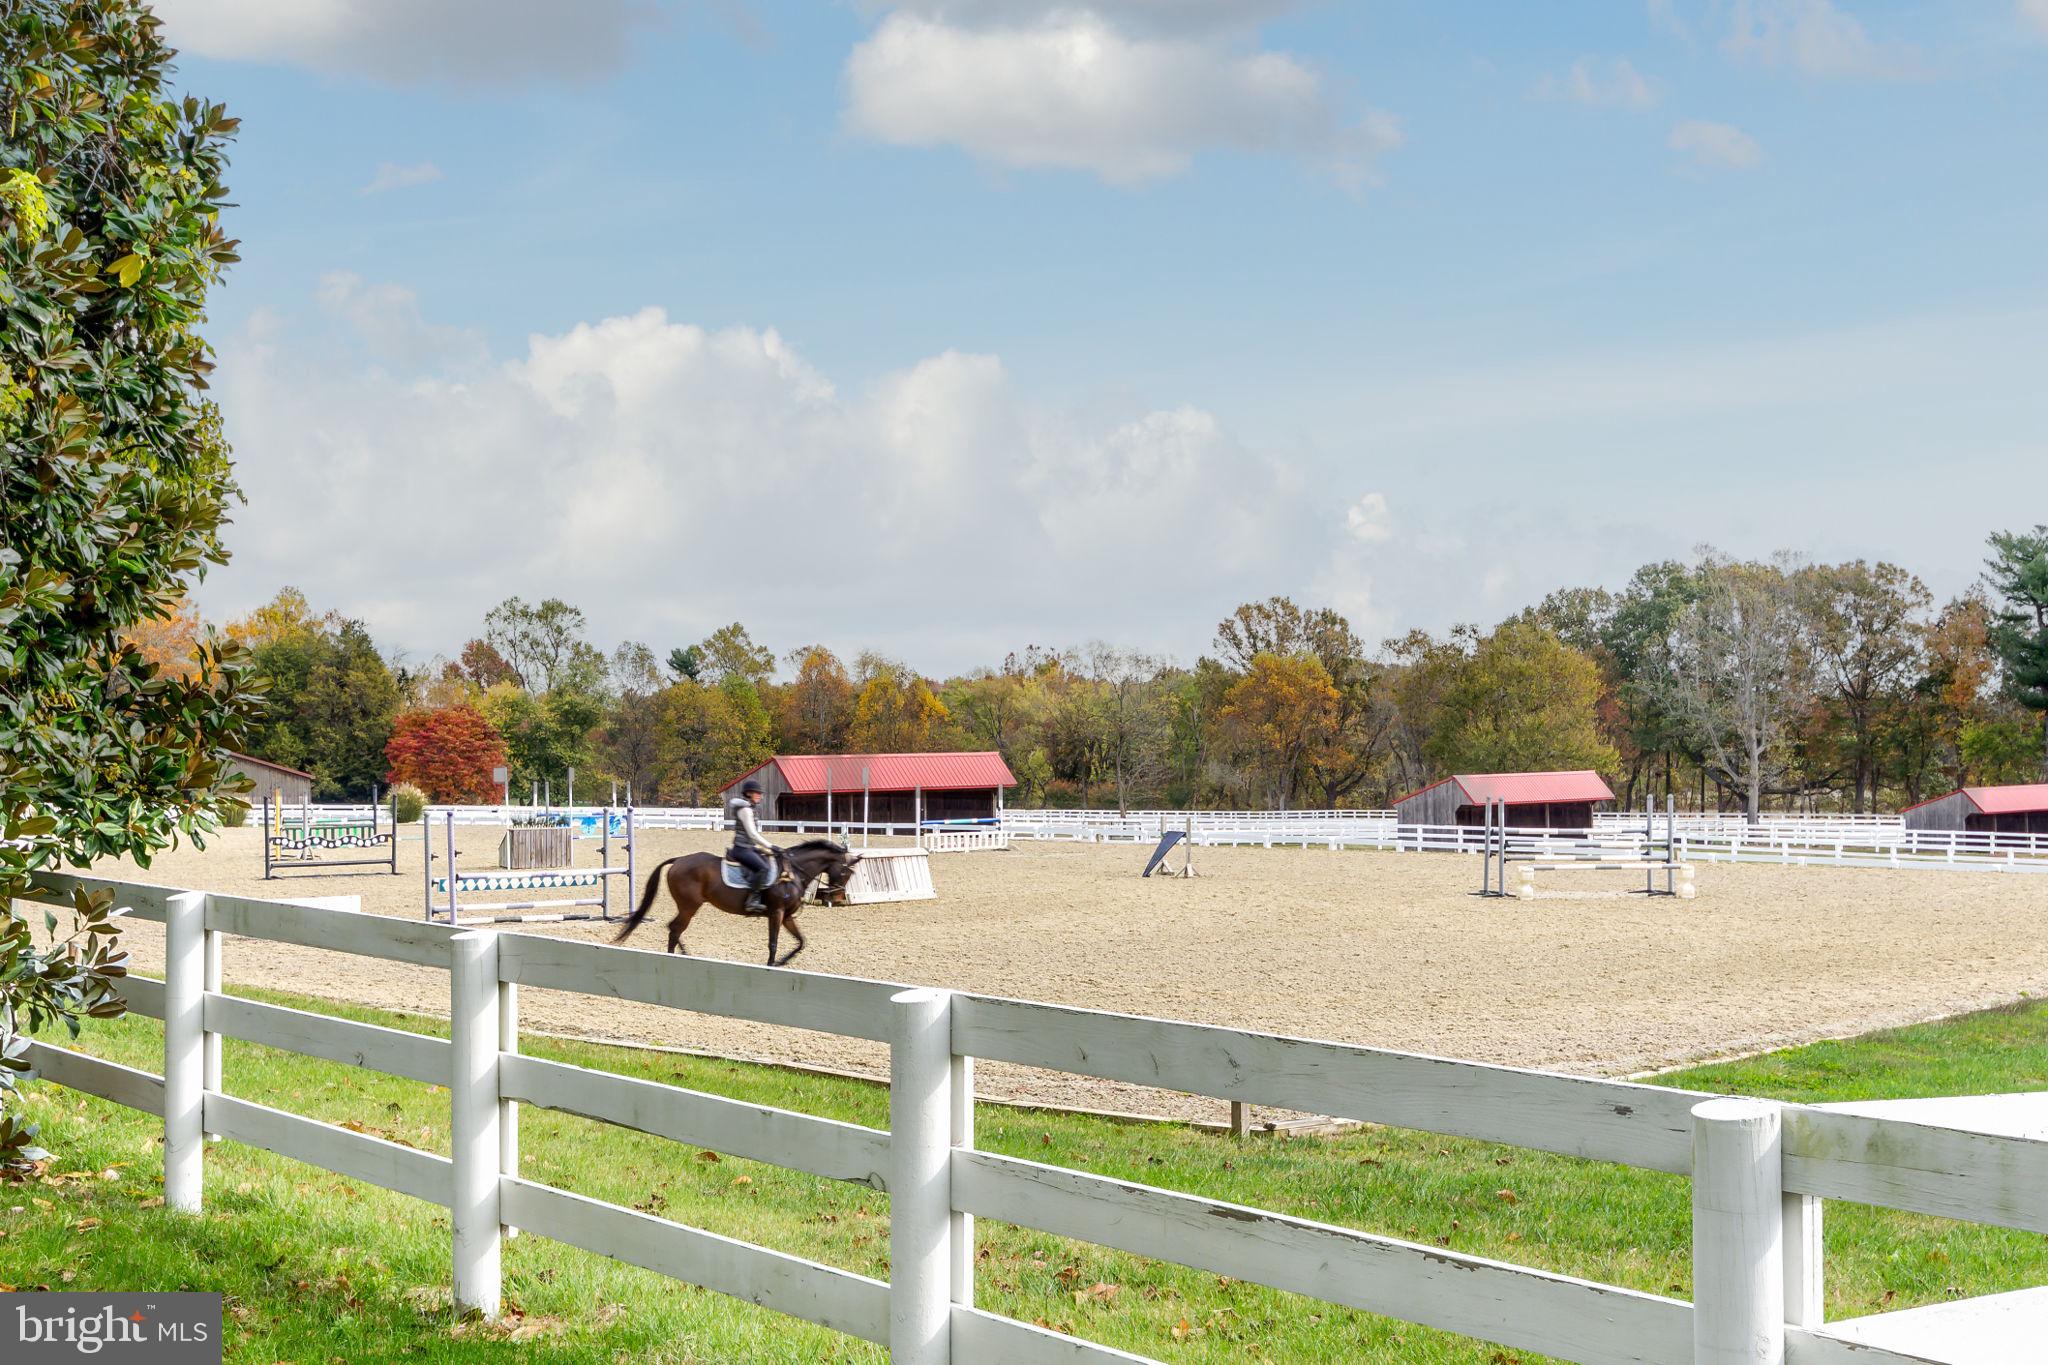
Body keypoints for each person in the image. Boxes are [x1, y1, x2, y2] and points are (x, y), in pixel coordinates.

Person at [726, 779, 779, 908]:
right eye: (757, 793)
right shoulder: (745, 810)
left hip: (749, 847)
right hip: (742, 849)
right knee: (763, 868)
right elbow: (753, 834)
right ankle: (752, 900)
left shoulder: (750, 808)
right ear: (749, 793)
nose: (760, 796)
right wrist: (771, 846)